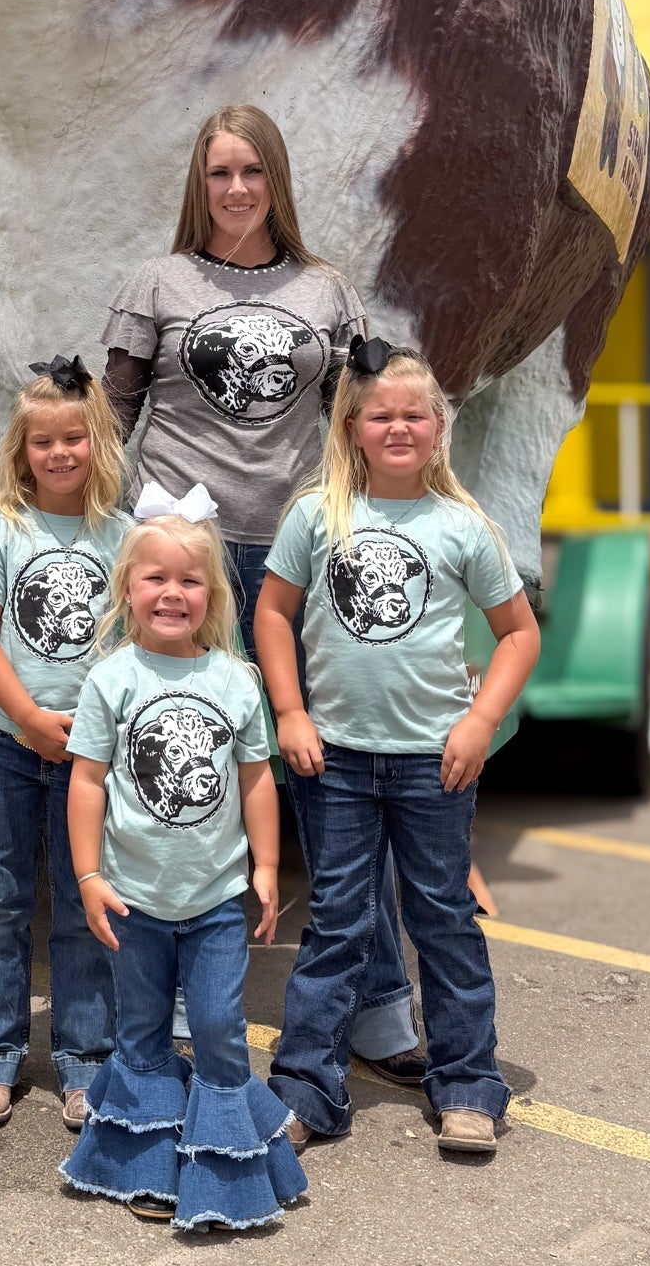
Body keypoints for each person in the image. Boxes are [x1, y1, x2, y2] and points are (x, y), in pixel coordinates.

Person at [102, 102, 421, 1077]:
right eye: (217, 173)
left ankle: (377, 999)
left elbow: (355, 424)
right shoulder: (153, 284)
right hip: (188, 564)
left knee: (336, 783)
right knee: (196, 782)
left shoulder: (326, 292)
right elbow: (105, 423)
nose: (234, 189)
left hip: (296, 563)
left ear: (275, 181)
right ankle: (199, 1008)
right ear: (196, 187)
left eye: (250, 171)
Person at [255, 339, 541, 1156]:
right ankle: (305, 1088)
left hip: (433, 763)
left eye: (414, 414)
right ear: (350, 428)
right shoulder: (316, 515)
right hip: (334, 759)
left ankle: (468, 1087)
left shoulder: (462, 527)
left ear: (438, 427)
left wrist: (479, 721)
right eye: (380, 415)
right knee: (337, 926)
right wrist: (290, 711)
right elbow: (273, 614)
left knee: (443, 920)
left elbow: (516, 634)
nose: (398, 427)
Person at [60, 491, 307, 1230]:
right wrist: (88, 877)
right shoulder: (110, 680)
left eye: (189, 581)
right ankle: (147, 1165)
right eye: (155, 579)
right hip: (134, 900)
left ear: (214, 594)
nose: (172, 593)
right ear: (128, 590)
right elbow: (85, 783)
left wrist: (265, 867)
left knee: (216, 1025)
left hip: (213, 902)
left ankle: (232, 1170)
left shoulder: (236, 680)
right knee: (139, 1032)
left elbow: (257, 778)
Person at [0, 355, 128, 1131]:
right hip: (8, 748)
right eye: (42, 443)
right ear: (21, 454)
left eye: (73, 439)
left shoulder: (124, 537)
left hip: (90, 759)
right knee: (1, 900)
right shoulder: (4, 530)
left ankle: (85, 1063)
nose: (59, 454)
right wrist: (27, 717)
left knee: (82, 905)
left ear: (98, 444)